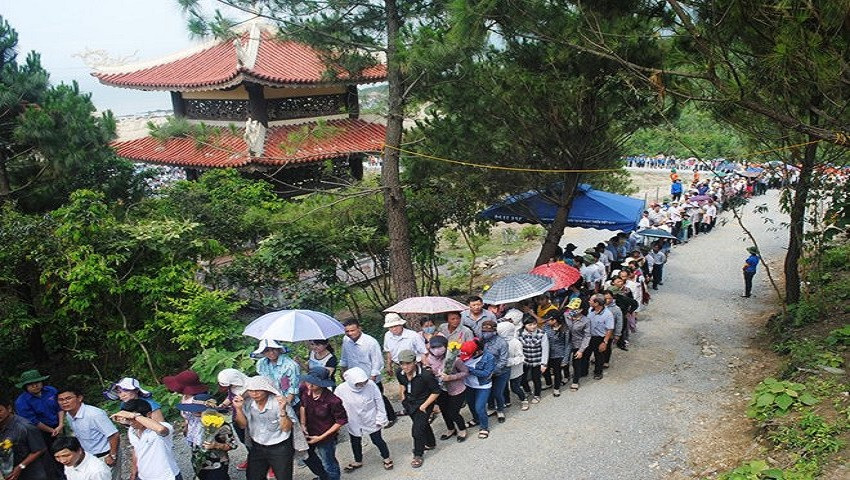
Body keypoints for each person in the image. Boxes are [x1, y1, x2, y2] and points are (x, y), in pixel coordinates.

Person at [232, 376, 298, 480]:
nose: (254, 394)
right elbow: (242, 425)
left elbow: (286, 428)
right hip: (257, 446)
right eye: (251, 391)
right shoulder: (248, 403)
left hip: (280, 447)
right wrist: (238, 409)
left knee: (283, 477)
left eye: (258, 390)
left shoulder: (278, 403)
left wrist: (282, 411)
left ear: (267, 390)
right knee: (253, 476)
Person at [333, 368, 393, 472]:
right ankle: (358, 460)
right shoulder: (341, 389)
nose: (362, 385)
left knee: (377, 440)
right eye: (359, 383)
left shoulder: (371, 385)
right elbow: (335, 405)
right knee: (355, 441)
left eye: (364, 382)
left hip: (371, 417)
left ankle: (386, 458)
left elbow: (379, 401)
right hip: (353, 420)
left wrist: (381, 418)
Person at [339, 319, 396, 427]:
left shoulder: (370, 342)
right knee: (364, 399)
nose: (350, 333)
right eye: (347, 331)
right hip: (354, 377)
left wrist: (372, 379)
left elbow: (377, 362)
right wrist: (344, 373)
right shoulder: (346, 340)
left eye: (353, 330)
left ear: (359, 328)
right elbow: (344, 358)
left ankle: (390, 416)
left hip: (369, 376)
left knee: (378, 397)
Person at [56, 388, 119, 480]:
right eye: (61, 400)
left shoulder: (94, 414)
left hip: (105, 455)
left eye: (68, 398)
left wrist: (112, 456)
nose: (64, 402)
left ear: (79, 398)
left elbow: (114, 435)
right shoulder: (69, 415)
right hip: (88, 457)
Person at [113, 399, 181, 480]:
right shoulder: (132, 430)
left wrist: (135, 416)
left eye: (133, 419)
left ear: (148, 414)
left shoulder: (163, 426)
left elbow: (161, 429)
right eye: (127, 419)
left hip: (166, 476)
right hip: (143, 476)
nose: (130, 422)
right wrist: (134, 471)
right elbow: (137, 450)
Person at [299, 368, 347, 480]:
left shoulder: (333, 400)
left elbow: (340, 421)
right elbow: (303, 406)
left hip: (325, 436)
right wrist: (303, 424)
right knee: (307, 457)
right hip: (308, 432)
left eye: (314, 384)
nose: (310, 386)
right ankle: (323, 476)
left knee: (328, 462)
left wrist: (320, 437)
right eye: (308, 382)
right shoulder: (305, 391)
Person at [14, 370, 63, 480]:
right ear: (25, 386)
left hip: (58, 425)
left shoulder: (51, 390)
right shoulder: (21, 402)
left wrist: (60, 424)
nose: (35, 386)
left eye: (37, 382)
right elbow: (33, 421)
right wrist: (51, 431)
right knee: (50, 456)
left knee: (64, 449)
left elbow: (60, 407)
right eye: (31, 384)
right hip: (40, 431)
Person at [395, 350, 440, 468]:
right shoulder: (399, 372)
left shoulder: (425, 375)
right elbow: (402, 384)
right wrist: (402, 396)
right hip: (409, 403)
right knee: (421, 424)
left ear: (415, 362)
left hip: (424, 404)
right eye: (402, 364)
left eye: (408, 363)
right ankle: (430, 443)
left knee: (417, 431)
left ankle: (418, 454)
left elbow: (436, 391)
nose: (405, 367)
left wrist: (424, 406)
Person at [174, 399, 236, 480]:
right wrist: (185, 428)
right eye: (194, 410)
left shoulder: (221, 424)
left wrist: (216, 445)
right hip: (198, 463)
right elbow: (191, 441)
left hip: (216, 464)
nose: (195, 413)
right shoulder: (193, 422)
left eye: (199, 412)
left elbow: (233, 445)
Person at [423, 336, 469, 442]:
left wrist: (451, 377)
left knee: (453, 412)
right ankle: (450, 429)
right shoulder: (429, 359)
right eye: (433, 347)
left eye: (439, 347)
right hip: (441, 390)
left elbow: (465, 372)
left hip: (456, 389)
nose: (436, 350)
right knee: (444, 411)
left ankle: (462, 429)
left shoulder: (454, 358)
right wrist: (429, 371)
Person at [0, 394, 49, 480]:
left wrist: (20, 467)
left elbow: (40, 449)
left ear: (9, 409)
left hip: (32, 473)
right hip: (11, 471)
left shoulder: (25, 427)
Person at [459, 340, 494, 439]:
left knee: (480, 407)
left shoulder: (489, 357)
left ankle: (484, 427)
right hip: (469, 385)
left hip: (483, 386)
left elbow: (486, 373)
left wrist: (468, 369)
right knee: (471, 405)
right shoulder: (463, 354)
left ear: (478, 351)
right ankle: (476, 419)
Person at [216, 369, 249, 471]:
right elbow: (231, 396)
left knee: (255, 441)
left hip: (248, 418)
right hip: (237, 416)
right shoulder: (233, 386)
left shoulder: (248, 387)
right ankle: (251, 457)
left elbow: (238, 398)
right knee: (244, 440)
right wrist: (224, 405)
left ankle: (269, 463)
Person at [253, 339, 300, 407]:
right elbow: (262, 381)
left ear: (279, 349)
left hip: (288, 400)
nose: (271, 353)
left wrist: (286, 406)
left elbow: (293, 388)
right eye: (267, 351)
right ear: (263, 352)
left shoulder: (291, 365)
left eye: (273, 349)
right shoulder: (261, 363)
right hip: (270, 400)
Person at [480, 320, 508, 423]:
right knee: (488, 392)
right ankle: (491, 407)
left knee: (497, 393)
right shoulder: (482, 340)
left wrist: (493, 370)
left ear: (494, 331)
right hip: (486, 371)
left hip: (501, 372)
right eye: (483, 331)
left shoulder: (502, 343)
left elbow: (503, 360)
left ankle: (500, 409)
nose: (485, 333)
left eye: (488, 331)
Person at [382, 313, 427, 378]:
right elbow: (388, 351)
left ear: (401, 325)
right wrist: (389, 365)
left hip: (413, 365)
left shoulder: (413, 336)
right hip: (398, 365)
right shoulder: (387, 335)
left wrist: (425, 367)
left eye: (396, 326)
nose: (394, 329)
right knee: (403, 384)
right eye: (391, 327)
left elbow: (423, 352)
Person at [497, 321, 528, 410]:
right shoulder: (499, 341)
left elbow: (521, 357)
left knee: (515, 387)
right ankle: (507, 401)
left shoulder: (515, 342)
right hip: (503, 369)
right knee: (504, 387)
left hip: (515, 369)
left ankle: (523, 399)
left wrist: (509, 361)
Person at [519, 315, 549, 404]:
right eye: (530, 325)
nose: (533, 326)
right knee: (522, 378)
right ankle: (527, 391)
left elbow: (545, 349)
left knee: (536, 379)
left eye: (534, 324)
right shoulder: (519, 333)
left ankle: (537, 394)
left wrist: (544, 364)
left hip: (537, 361)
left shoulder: (542, 334)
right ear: (524, 325)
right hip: (525, 360)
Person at [587, 294, 615, 380]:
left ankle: (598, 372)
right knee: (585, 355)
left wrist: (605, 342)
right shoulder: (590, 310)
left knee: (599, 356)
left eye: (591, 300)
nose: (589, 301)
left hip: (599, 338)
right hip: (589, 336)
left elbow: (609, 329)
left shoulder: (608, 314)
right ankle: (583, 371)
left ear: (596, 303)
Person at [564, 303, 591, 391]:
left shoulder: (586, 321)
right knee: (565, 361)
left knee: (576, 363)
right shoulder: (566, 315)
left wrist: (581, 350)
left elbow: (587, 336)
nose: (571, 310)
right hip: (567, 343)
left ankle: (575, 381)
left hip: (578, 344)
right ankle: (566, 376)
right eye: (570, 308)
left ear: (580, 310)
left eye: (574, 308)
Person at [542, 312, 569, 397]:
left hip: (559, 354)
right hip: (547, 353)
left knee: (557, 372)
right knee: (545, 370)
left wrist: (565, 358)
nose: (546, 321)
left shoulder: (565, 329)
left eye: (549, 320)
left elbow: (568, 344)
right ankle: (549, 383)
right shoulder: (545, 327)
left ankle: (556, 388)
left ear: (555, 320)